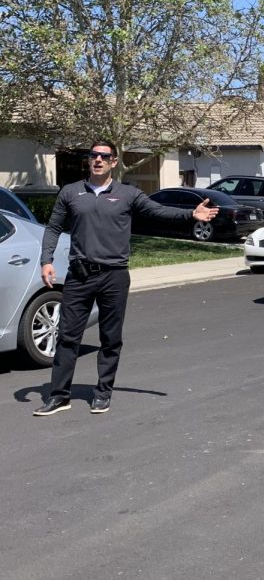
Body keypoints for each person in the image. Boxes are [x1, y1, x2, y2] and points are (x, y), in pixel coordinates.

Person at [34, 140, 219, 416]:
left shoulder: (127, 194)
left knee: (110, 338)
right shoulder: (71, 192)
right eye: (93, 155)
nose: (97, 159)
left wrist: (191, 214)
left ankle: (103, 393)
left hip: (114, 276)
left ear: (113, 162)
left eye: (103, 156)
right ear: (89, 160)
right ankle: (59, 396)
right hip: (79, 276)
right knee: (67, 337)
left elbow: (158, 212)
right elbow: (53, 227)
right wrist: (46, 261)